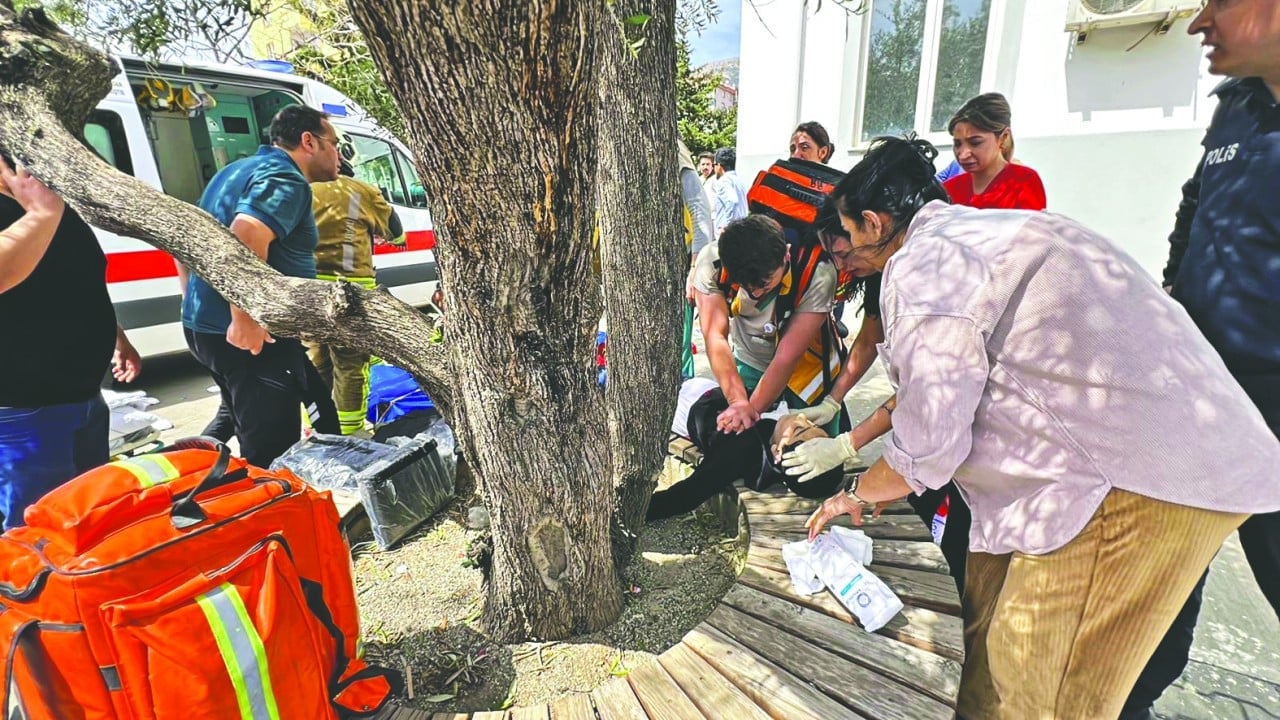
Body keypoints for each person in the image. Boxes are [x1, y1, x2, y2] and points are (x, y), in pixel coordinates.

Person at [784, 135, 1280, 719]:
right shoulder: (969, 239)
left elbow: (931, 438)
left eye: (843, 248)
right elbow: (936, 393)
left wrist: (854, 490)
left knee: (1036, 677)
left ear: (870, 223)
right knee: (984, 626)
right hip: (1118, 456)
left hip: (1127, 478)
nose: (843, 266)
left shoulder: (925, 265)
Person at [1127, 3, 1280, 718]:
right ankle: (1132, 698)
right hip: (1203, 393)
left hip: (1274, 408)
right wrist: (1170, 304)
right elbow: (1196, 212)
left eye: (1219, 2)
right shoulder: (1238, 108)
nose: (1198, 22)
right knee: (1162, 571)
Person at [180, 104, 341, 467]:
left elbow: (184, 239)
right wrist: (245, 317)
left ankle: (197, 456)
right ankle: (263, 506)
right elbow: (246, 235)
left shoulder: (235, 171)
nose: (339, 154)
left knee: (316, 404)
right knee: (271, 451)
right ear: (308, 141)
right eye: (335, 142)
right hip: (252, 338)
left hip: (214, 329)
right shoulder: (285, 178)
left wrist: (195, 301)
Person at [0, 157, 142, 529]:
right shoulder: (39, 209)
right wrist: (41, 214)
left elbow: (82, 280)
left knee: (85, 523)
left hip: (84, 399)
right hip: (23, 410)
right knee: (36, 536)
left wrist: (117, 337)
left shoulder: (49, 203)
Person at [691, 214, 844, 437]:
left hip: (808, 368)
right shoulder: (711, 262)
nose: (755, 293)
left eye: (765, 284)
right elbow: (715, 336)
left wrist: (751, 410)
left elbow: (787, 356)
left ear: (786, 255)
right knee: (739, 433)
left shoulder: (818, 272)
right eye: (746, 286)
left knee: (813, 440)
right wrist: (739, 402)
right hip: (750, 356)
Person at [647, 387, 845, 521]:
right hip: (717, 395)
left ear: (778, 453)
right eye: (814, 425)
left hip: (683, 398)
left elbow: (688, 494)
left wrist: (634, 511)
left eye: (800, 429)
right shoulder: (780, 438)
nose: (803, 419)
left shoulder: (739, 448)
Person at [307, 157, 401, 435]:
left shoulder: (301, 189)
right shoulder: (362, 190)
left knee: (316, 359)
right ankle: (351, 432)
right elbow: (396, 234)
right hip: (352, 290)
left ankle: (321, 428)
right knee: (351, 364)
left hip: (307, 289)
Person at [943, 92, 1046, 211]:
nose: (962, 155)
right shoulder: (949, 189)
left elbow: (1028, 227)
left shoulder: (1023, 182)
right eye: (957, 144)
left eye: (975, 143)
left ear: (1003, 138)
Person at [680, 140, 716, 380]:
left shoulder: (672, 147)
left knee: (678, 349)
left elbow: (698, 207)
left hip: (679, 267)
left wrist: (695, 269)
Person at [710, 147, 749, 237]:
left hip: (728, 233)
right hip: (741, 229)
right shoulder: (739, 180)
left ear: (719, 166)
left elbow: (731, 200)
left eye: (714, 165)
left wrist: (726, 226)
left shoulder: (724, 181)